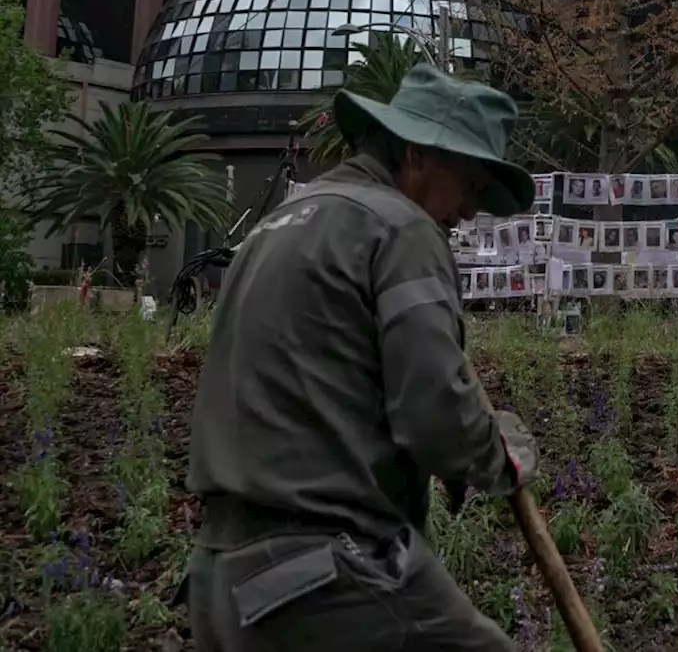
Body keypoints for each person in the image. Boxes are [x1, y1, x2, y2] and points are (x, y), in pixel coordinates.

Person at [180, 64, 539, 651]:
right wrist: (497, 456)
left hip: (222, 581)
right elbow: (432, 411)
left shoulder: (276, 227)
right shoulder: (402, 230)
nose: (470, 212)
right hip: (323, 580)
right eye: (470, 186)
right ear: (417, 155)